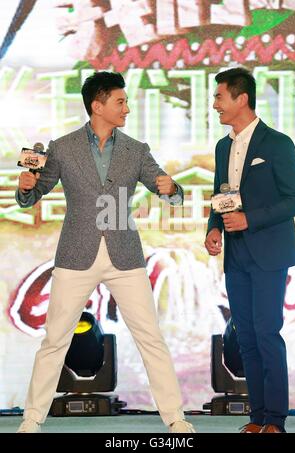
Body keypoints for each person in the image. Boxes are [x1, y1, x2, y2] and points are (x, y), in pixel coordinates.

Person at [15, 71, 195, 434]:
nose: (126, 108)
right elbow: (33, 196)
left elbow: (170, 193)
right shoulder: (62, 147)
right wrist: (26, 187)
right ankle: (32, 419)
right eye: (120, 101)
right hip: (75, 255)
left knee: (150, 337)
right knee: (55, 339)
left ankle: (176, 418)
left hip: (125, 255)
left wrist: (172, 188)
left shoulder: (136, 149)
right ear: (98, 106)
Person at [205, 67, 295, 433]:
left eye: (219, 97)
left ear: (241, 99)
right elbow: (220, 195)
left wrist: (250, 219)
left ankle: (276, 419)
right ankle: (257, 418)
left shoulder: (277, 143)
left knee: (266, 333)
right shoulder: (223, 146)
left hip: (269, 253)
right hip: (236, 254)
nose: (215, 105)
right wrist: (214, 228)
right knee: (244, 336)